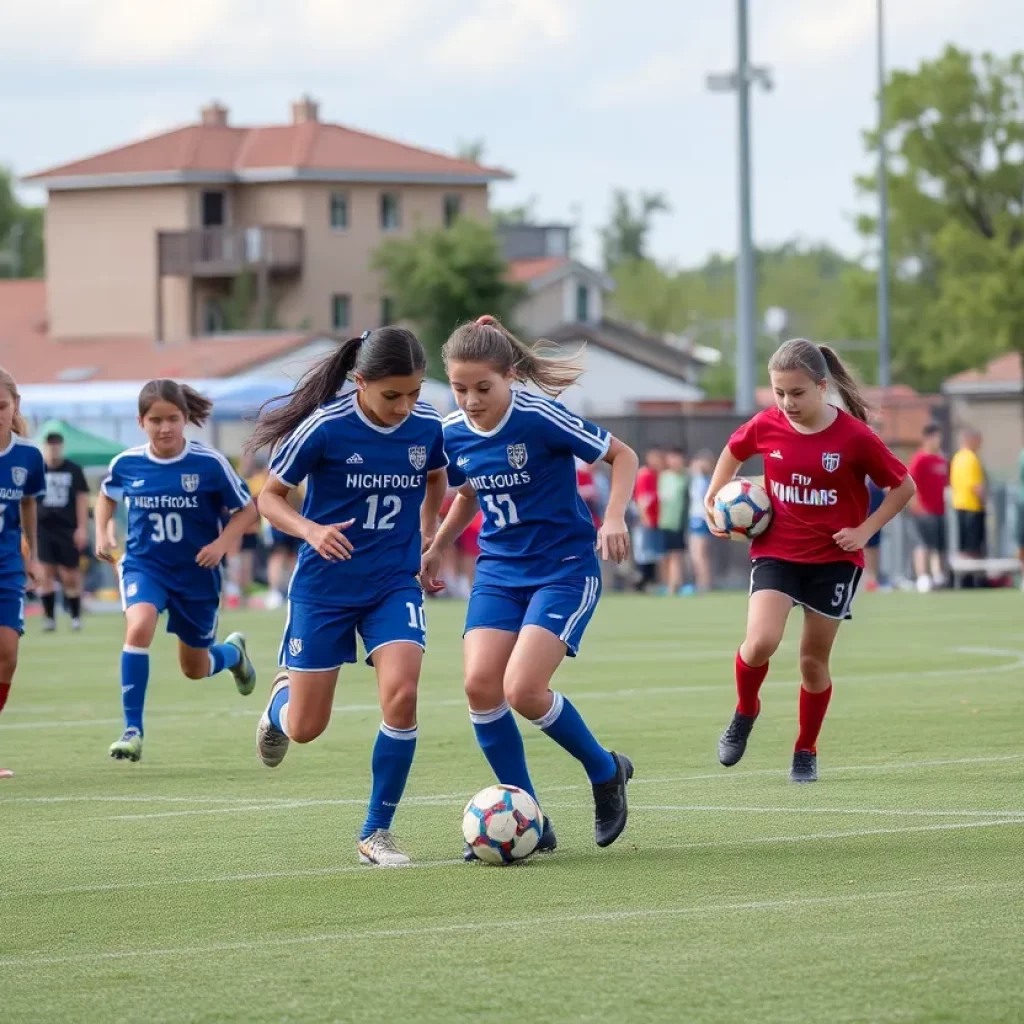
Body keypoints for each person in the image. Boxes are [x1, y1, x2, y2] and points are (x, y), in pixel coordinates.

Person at [421, 315, 639, 856]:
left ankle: (605, 770)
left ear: (510, 376)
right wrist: (438, 545)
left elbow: (623, 455)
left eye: (483, 388)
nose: (470, 400)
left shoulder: (539, 416)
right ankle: (530, 817)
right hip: (499, 570)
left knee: (522, 690)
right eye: (460, 388)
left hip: (563, 567)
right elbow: (469, 491)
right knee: (479, 687)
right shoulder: (450, 433)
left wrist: (613, 517)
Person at [249, 327, 448, 868]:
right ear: (360, 382)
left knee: (403, 695)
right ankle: (279, 704)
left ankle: (375, 832)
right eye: (391, 396)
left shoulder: (427, 425)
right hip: (325, 589)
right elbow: (269, 498)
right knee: (307, 728)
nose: (405, 406)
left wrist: (429, 536)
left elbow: (437, 479)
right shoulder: (325, 428)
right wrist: (310, 530)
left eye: (414, 393)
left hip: (393, 583)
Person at [707, 339, 914, 783]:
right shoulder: (768, 424)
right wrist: (712, 499)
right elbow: (733, 451)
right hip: (776, 552)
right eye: (779, 393)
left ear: (822, 387)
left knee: (811, 663)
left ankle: (805, 749)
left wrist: (864, 530)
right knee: (760, 641)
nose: (788, 403)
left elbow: (903, 486)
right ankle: (745, 711)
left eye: (797, 393)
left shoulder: (854, 437)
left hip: (835, 561)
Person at [95, 380, 259, 763]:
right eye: (155, 420)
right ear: (141, 421)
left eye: (172, 419)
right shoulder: (127, 463)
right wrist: (103, 531)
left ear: (185, 419)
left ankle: (233, 655)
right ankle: (132, 730)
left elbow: (248, 509)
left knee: (195, 668)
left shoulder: (209, 463)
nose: (164, 427)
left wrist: (222, 544)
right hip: (143, 565)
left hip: (196, 576)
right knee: (140, 625)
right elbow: (106, 496)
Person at [0, 368, 45, 779]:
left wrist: (31, 554)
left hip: (7, 566)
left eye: (0, 405)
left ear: (14, 406)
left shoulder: (28, 456)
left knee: (7, 654)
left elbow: (29, 503)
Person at [37, 430, 90, 631]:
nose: (53, 448)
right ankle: (49, 618)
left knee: (70, 575)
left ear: (62, 447)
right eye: (50, 444)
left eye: (57, 444)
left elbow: (82, 499)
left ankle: (75, 616)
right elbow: (27, 501)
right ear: (44, 447)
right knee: (45, 574)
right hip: (43, 529)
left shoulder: (73, 470)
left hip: (67, 529)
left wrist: (82, 528)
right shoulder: (37, 469)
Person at [907, 424, 948, 592]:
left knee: (938, 545)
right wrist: (916, 504)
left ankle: (938, 576)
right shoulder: (919, 459)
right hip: (923, 511)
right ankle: (923, 577)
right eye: (935, 437)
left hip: (940, 510)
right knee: (923, 544)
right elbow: (910, 482)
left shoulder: (942, 459)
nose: (938, 441)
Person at [949, 427, 986, 588]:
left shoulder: (956, 458)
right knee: (974, 545)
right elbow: (976, 486)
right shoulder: (972, 458)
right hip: (973, 507)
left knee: (963, 546)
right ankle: (973, 580)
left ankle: (963, 579)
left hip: (959, 505)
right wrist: (985, 502)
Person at [657, 448, 688, 594]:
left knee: (676, 555)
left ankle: (675, 586)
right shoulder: (664, 477)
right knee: (665, 556)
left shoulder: (686, 477)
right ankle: (667, 584)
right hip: (664, 522)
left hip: (679, 523)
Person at [631, 447, 663, 590]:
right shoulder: (645, 475)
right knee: (643, 553)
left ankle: (650, 582)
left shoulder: (658, 475)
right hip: (645, 521)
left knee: (653, 553)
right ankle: (641, 584)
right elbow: (642, 500)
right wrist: (645, 518)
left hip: (656, 521)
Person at [687, 450, 715, 592]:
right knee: (698, 555)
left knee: (699, 555)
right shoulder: (699, 479)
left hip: (700, 519)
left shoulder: (704, 480)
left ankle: (703, 584)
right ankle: (702, 583)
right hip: (698, 518)